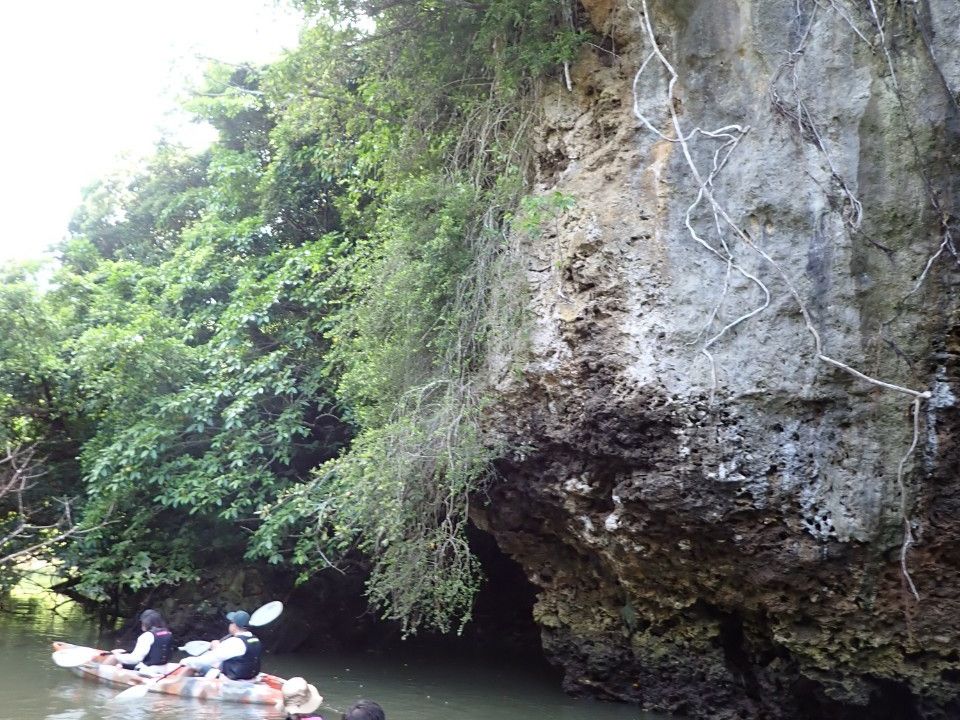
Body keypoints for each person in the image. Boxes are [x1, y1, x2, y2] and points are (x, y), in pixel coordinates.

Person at [180, 609, 263, 680]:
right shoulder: (254, 639)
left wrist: (186, 661)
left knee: (194, 667)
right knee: (213, 665)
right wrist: (218, 647)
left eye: (231, 622)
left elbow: (208, 659)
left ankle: (177, 682)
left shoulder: (234, 642)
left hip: (233, 680)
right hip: (250, 677)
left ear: (234, 625)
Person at [104, 609, 174, 671]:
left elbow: (136, 659)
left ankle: (100, 671)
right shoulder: (168, 633)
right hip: (163, 669)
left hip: (147, 670)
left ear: (148, 623)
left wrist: (116, 655)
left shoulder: (147, 636)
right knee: (122, 656)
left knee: (114, 658)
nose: (141, 624)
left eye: (143, 622)